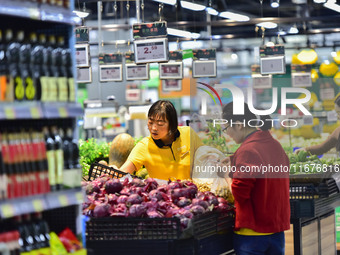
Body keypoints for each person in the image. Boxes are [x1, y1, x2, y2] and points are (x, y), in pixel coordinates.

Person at [221, 102, 290, 255]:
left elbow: (239, 193)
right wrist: (234, 160)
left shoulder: (247, 150)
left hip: (253, 235)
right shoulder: (275, 145)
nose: (228, 133)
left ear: (238, 125)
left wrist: (226, 175)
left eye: (226, 128)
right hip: (276, 232)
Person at [120, 100, 203, 180]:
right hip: (162, 193)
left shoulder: (188, 134)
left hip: (192, 191)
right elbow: (122, 173)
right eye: (150, 122)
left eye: (160, 124)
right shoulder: (144, 146)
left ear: (172, 124)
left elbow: (206, 158)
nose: (154, 128)